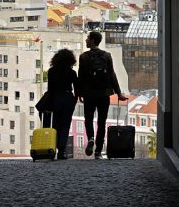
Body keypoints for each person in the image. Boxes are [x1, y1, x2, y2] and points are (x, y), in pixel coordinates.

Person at [78, 30, 127, 158]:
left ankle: (91, 138)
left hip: (89, 94)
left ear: (93, 40)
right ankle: (98, 151)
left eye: (88, 38)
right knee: (102, 122)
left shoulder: (83, 57)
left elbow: (81, 77)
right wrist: (119, 93)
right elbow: (112, 75)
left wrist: (78, 93)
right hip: (104, 94)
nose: (86, 40)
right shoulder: (107, 56)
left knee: (88, 119)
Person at [42, 47, 80, 160]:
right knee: (65, 125)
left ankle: (53, 148)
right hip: (68, 98)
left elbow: (50, 89)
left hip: (56, 98)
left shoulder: (52, 71)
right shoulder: (72, 72)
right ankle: (62, 151)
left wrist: (50, 103)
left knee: (56, 125)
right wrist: (74, 99)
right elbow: (76, 88)